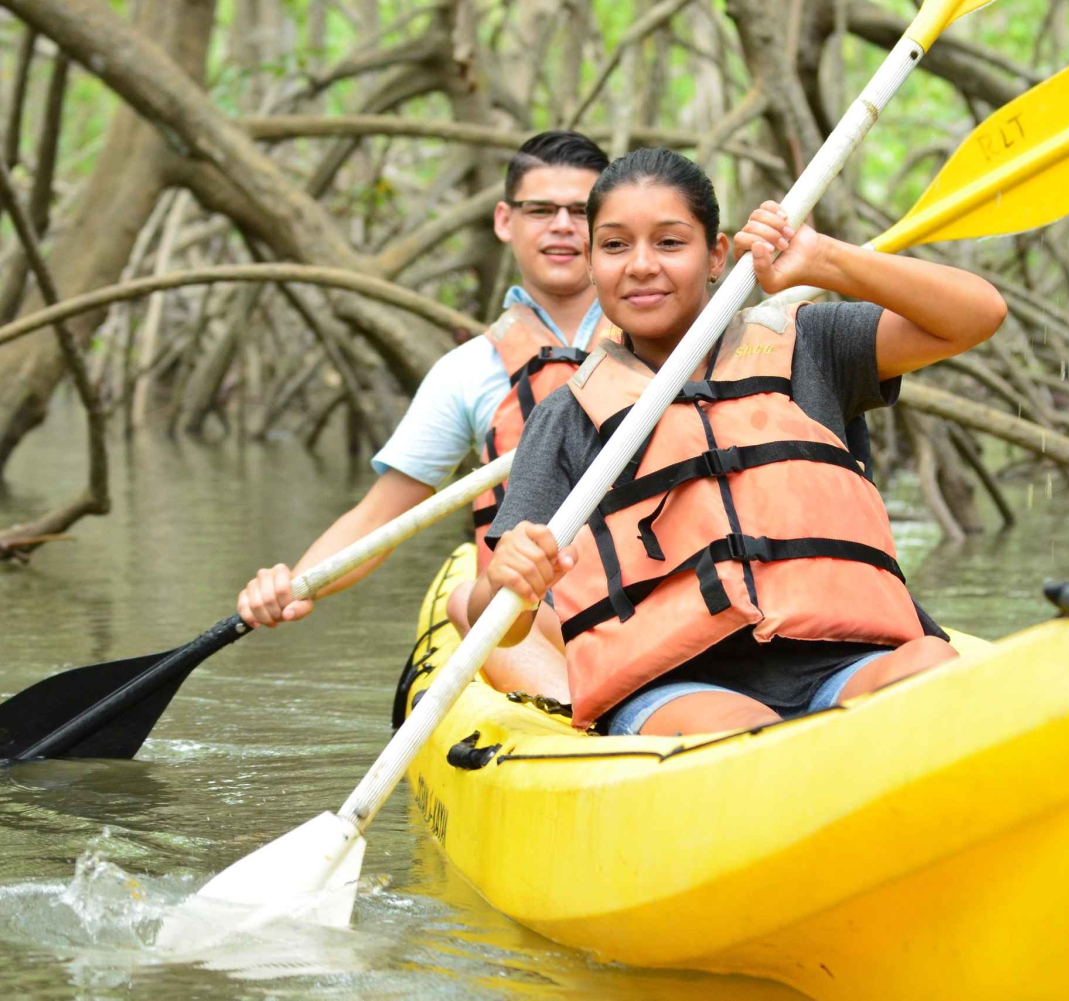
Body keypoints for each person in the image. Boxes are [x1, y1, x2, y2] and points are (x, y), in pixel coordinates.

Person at [468, 148, 1008, 736]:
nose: (641, 265)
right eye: (616, 246)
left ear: (717, 256)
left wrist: (821, 260)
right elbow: (496, 625)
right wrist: (504, 582)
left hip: (844, 664)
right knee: (746, 733)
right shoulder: (565, 418)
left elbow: (977, 314)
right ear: (593, 265)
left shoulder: (812, 347)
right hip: (678, 688)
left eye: (671, 243)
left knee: (932, 662)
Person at [236, 131, 612, 702]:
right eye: (541, 210)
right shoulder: (468, 371)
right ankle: (580, 712)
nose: (561, 225)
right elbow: (381, 518)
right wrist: (298, 584)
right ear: (505, 221)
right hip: (537, 609)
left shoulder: (674, 340)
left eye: (580, 212)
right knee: (469, 598)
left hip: (654, 586)